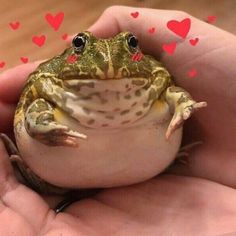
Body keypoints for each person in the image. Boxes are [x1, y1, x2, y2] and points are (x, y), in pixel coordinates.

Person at [0, 6, 236, 235]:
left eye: (131, 44)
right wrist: (43, 128)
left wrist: (184, 105)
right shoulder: (52, 84)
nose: (107, 63)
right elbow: (34, 111)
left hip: (158, 175)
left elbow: (175, 95)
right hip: (54, 179)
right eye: (80, 45)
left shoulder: (154, 81)